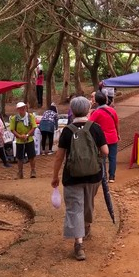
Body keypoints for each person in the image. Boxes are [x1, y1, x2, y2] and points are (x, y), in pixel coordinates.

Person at [51, 96, 108, 261]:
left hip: (72, 176)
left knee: (75, 208)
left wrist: (55, 176)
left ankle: (79, 244)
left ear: (72, 111)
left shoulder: (67, 131)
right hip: (93, 175)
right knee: (88, 203)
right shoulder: (95, 128)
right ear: (89, 110)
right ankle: (86, 226)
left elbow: (59, 157)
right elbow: (105, 152)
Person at [89, 91, 120, 183]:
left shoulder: (97, 112)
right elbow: (117, 124)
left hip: (102, 139)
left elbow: (89, 124)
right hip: (113, 136)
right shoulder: (112, 110)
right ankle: (112, 176)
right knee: (112, 157)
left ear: (97, 102)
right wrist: (118, 134)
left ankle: (103, 176)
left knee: (102, 157)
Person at [11, 102, 38, 179]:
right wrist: (19, 136)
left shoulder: (30, 116)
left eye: (23, 108)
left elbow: (34, 127)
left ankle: (33, 171)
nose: (22, 109)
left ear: (25, 108)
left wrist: (27, 135)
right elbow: (12, 129)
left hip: (29, 139)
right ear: (17, 109)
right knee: (19, 157)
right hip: (19, 140)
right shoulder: (14, 119)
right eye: (20, 108)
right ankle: (20, 172)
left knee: (31, 156)